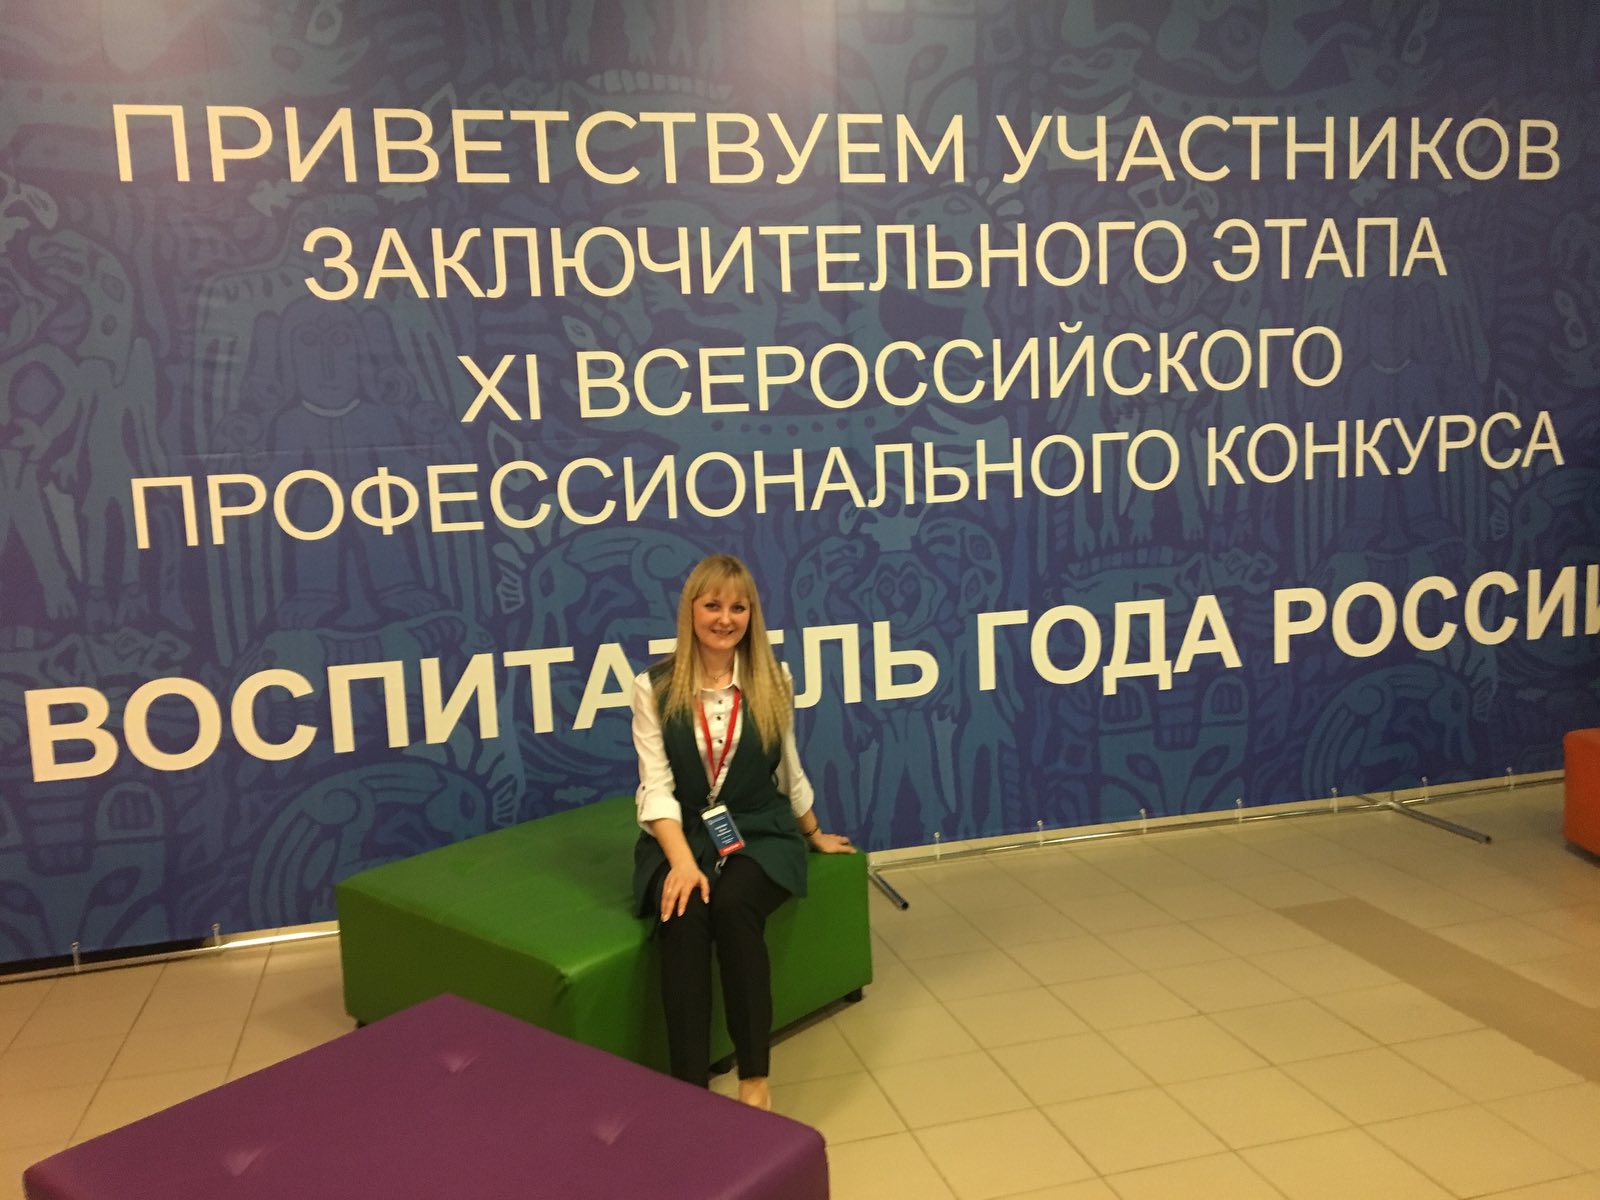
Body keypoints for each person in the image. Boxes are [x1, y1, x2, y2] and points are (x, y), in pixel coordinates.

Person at [631, 553, 854, 1110]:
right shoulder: (653, 687)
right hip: (683, 834)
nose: (725, 619)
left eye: (738, 607)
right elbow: (656, 787)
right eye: (713, 605)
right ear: (691, 611)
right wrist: (682, 864)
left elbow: (788, 768)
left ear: (752, 614)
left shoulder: (774, 679)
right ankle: (690, 1093)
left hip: (759, 827)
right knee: (683, 915)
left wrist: (812, 831)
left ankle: (755, 1077)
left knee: (734, 906)